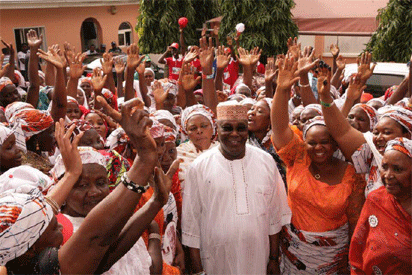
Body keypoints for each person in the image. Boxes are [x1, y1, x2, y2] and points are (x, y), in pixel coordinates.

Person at [0, 99, 170, 274]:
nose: (59, 225)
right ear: (30, 248)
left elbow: (108, 250)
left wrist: (154, 203)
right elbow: (96, 240)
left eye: (101, 182)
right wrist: (145, 157)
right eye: (51, 227)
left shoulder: (22, 262)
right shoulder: (43, 268)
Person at [271, 56, 366, 274]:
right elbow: (279, 128)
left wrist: (351, 262)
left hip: (333, 256)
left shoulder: (351, 175)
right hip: (293, 251)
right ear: (304, 143)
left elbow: (355, 223)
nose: (318, 147)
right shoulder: (298, 158)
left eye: (325, 142)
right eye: (312, 142)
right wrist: (281, 90)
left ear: (335, 144)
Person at [182, 101, 291, 274]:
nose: (235, 134)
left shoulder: (265, 161)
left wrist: (273, 259)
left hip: (258, 259)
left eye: (240, 128)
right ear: (218, 130)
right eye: (227, 128)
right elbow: (191, 225)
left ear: (247, 130)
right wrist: (197, 271)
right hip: (216, 260)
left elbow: (275, 216)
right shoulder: (199, 167)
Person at [349, 138, 411, 274]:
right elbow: (358, 246)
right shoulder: (376, 199)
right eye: (384, 167)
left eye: (398, 169)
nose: (388, 175)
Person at [176, 104, 218, 193]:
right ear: (186, 132)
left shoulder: (224, 151)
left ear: (212, 128)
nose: (199, 131)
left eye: (204, 126)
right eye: (193, 128)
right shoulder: (178, 154)